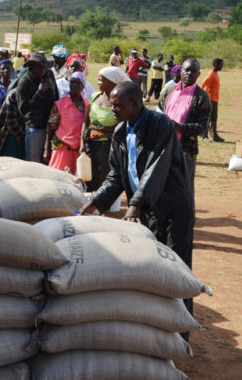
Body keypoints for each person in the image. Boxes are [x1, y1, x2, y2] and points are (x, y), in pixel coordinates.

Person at [80, 80, 196, 325]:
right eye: (112, 105)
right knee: (152, 266)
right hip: (146, 209)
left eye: (118, 105)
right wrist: (97, 202)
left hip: (173, 207)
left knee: (177, 268)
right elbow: (116, 175)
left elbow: (157, 167)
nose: (113, 110)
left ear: (135, 103)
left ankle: (180, 328)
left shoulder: (159, 125)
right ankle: (157, 323)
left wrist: (135, 203)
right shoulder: (121, 132)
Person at [157, 58, 210, 191]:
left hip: (185, 151)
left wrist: (178, 127)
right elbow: (157, 114)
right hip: (162, 147)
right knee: (160, 186)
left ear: (198, 74)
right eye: (186, 70)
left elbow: (202, 128)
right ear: (180, 71)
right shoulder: (168, 91)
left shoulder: (202, 97)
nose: (189, 74)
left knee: (184, 189)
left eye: (193, 71)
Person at [81, 67, 127, 191]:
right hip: (90, 144)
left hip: (108, 147)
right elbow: (86, 122)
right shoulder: (95, 96)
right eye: (98, 80)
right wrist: (82, 144)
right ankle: (90, 202)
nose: (99, 83)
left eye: (102, 80)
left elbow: (121, 126)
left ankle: (102, 205)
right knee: (90, 176)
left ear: (113, 82)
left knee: (105, 177)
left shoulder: (119, 102)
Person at [17, 52, 58, 163]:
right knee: (33, 163)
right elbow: (23, 109)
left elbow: (57, 98)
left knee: (49, 162)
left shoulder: (49, 74)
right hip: (35, 127)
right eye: (40, 68)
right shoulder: (24, 82)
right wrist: (39, 93)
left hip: (51, 126)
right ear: (32, 67)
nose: (43, 70)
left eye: (44, 68)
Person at [45, 74, 88, 173]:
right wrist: (46, 149)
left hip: (79, 151)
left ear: (83, 86)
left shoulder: (87, 105)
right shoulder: (60, 105)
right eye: (72, 82)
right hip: (62, 149)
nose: (74, 85)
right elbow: (50, 128)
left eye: (77, 83)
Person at [0, 84, 26, 159]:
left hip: (25, 135)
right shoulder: (15, 93)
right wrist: (22, 135)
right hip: (14, 134)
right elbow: (10, 121)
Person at [201, 58, 224, 142]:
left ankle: (214, 136)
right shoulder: (211, 74)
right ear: (215, 65)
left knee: (213, 118)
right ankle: (204, 136)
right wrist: (207, 99)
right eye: (220, 64)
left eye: (222, 64)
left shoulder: (215, 73)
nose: (222, 66)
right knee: (207, 118)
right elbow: (205, 85)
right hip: (210, 99)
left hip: (215, 99)